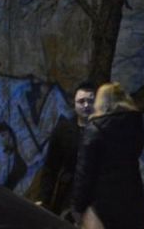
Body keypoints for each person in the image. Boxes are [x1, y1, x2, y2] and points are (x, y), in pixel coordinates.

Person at [70, 82, 144, 229]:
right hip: (131, 199)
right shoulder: (135, 125)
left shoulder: (94, 128)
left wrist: (77, 206)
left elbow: (85, 171)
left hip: (100, 203)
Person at [27, 81, 97, 216]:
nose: (86, 105)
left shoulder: (103, 131)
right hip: (68, 196)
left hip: (96, 196)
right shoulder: (63, 131)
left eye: (90, 101)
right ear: (75, 104)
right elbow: (51, 167)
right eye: (81, 101)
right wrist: (43, 198)